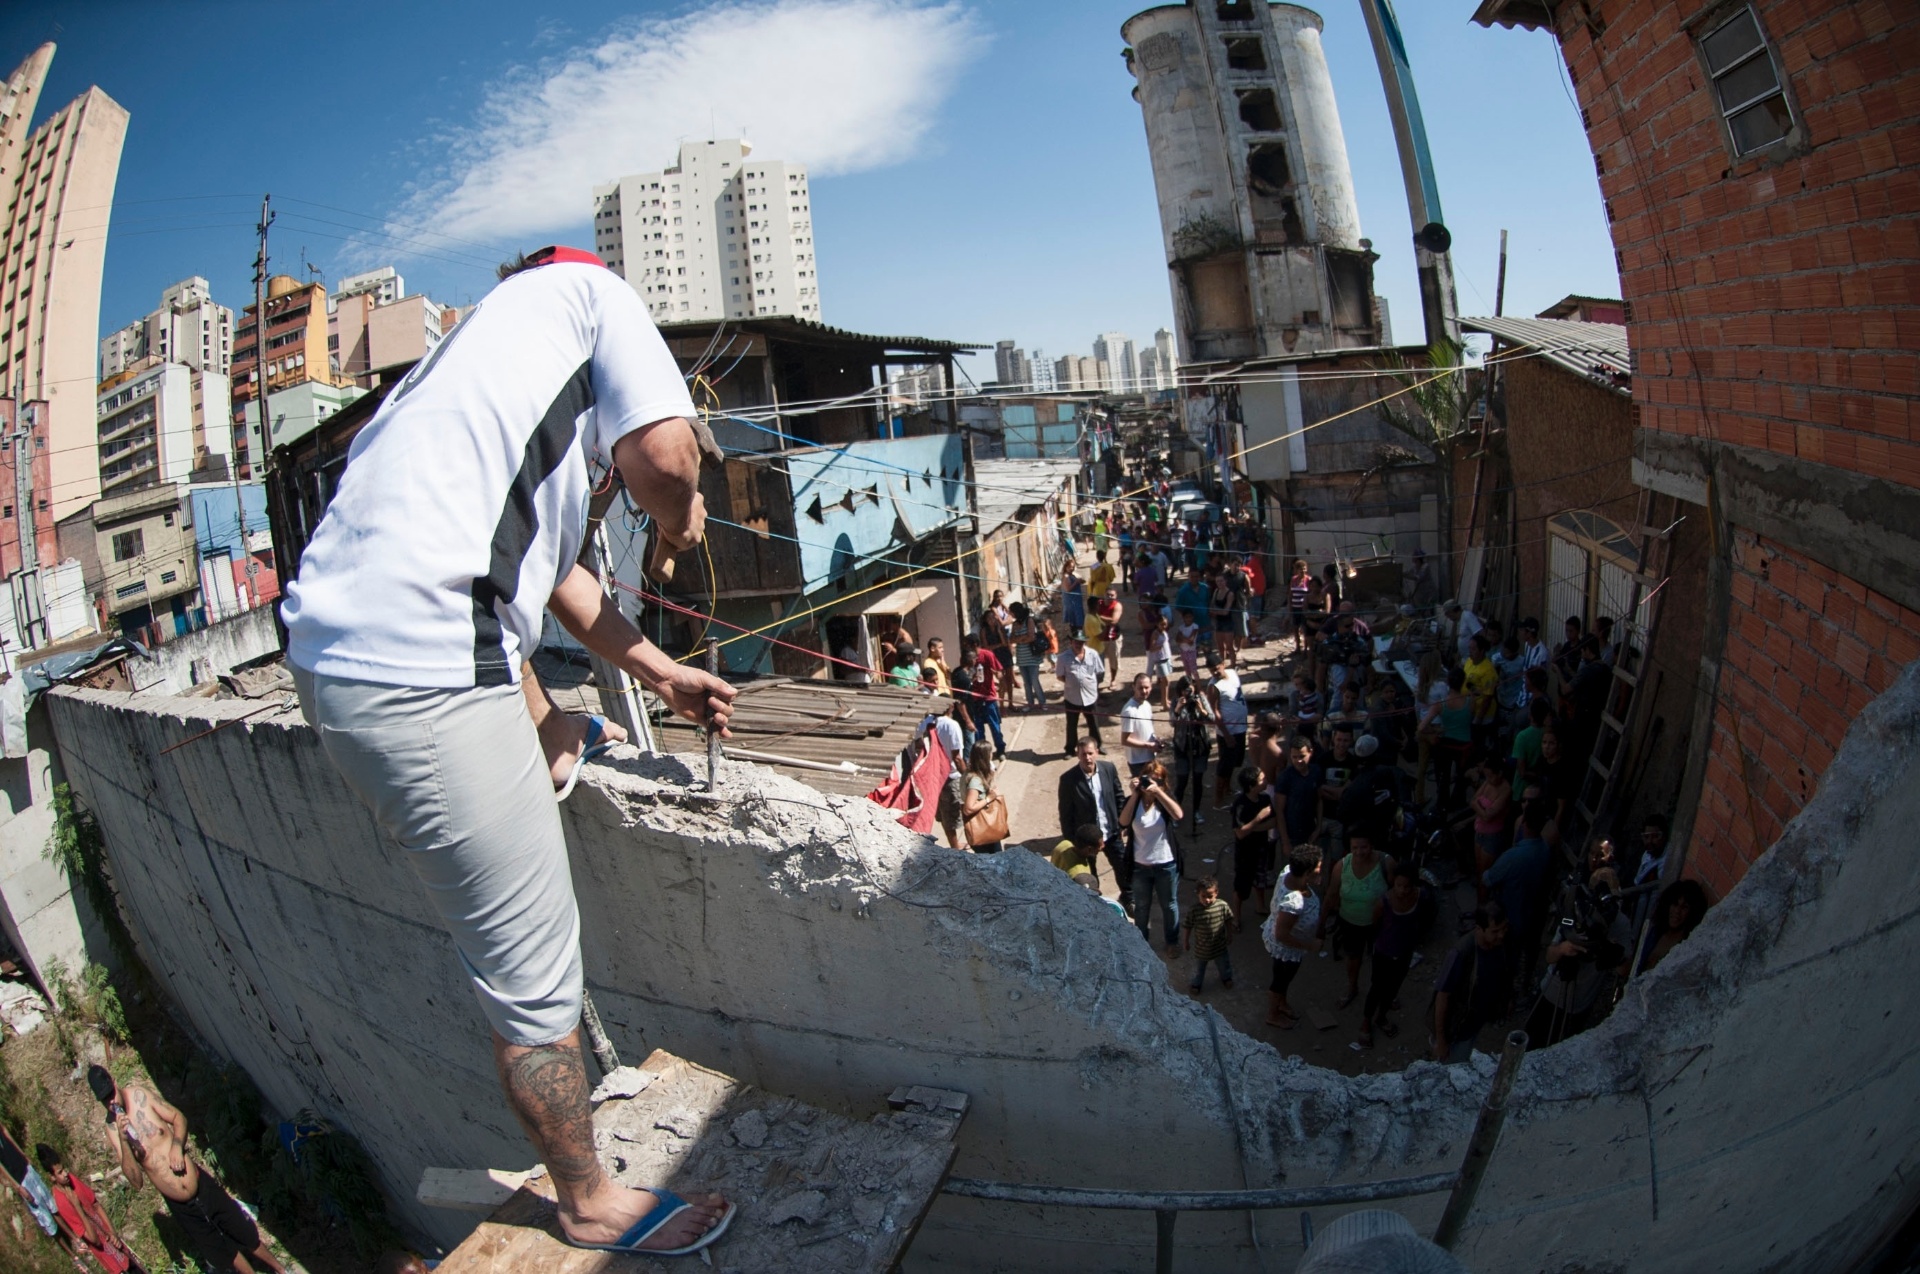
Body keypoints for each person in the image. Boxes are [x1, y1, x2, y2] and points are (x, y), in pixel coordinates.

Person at [277, 249, 736, 1256]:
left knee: (525, 696)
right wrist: (681, 512)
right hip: (425, 673)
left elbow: (558, 577)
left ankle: (547, 733)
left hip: (342, 657)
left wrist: (659, 669)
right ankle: (586, 1199)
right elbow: (667, 458)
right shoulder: (598, 297)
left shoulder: (488, 381)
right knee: (533, 972)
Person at [88, 1066, 286, 1273]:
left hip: (199, 1184)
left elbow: (178, 1118)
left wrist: (176, 1145)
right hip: (181, 1205)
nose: (112, 1103)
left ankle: (280, 1270)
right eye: (105, 1100)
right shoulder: (112, 1129)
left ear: (113, 1081)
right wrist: (123, 1139)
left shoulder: (140, 1096)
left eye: (111, 1094)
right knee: (222, 1250)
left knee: (241, 1229)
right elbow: (136, 1182)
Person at [1524, 884, 1632, 1047]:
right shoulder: (1576, 909)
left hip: (1580, 1003)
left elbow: (1624, 970)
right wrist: (1562, 948)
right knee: (1530, 1044)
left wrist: (1609, 952)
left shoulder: (1621, 924)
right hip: (1551, 994)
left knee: (1561, 1050)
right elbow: (1549, 956)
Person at [1356, 865, 1434, 1050]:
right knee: (1377, 987)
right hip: (1383, 951)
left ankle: (1381, 1016)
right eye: (1399, 885)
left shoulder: (1420, 897)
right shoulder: (1384, 902)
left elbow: (1426, 917)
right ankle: (1366, 1021)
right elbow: (1375, 924)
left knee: (1394, 986)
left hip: (1405, 951)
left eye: (1406, 886)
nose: (1402, 890)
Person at [38, 1143, 143, 1273]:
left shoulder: (72, 1180)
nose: (65, 1174)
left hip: (115, 1242)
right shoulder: (61, 1202)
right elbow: (94, 1240)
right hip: (107, 1254)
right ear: (52, 1177)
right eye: (60, 1172)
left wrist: (112, 1232)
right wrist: (77, 1206)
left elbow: (96, 1205)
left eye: (64, 1169)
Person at [1430, 903, 1513, 1063]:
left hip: (1477, 1019)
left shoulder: (1500, 943)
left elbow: (1505, 971)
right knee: (1452, 1066)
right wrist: (1441, 1039)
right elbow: (1442, 996)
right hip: (1458, 1028)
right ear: (1479, 929)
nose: (1501, 935)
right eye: (1495, 931)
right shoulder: (1461, 953)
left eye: (1504, 929)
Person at [1483, 800, 1554, 986]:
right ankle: (1521, 984)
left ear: (1524, 823)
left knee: (1507, 958)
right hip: (1533, 916)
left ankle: (1505, 989)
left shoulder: (1513, 857)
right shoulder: (1545, 850)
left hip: (1512, 917)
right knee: (1526, 955)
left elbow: (1488, 878)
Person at [1321, 823, 1391, 1011]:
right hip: (1349, 922)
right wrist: (1320, 924)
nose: (1360, 852)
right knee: (1353, 958)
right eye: (1355, 848)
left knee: (1381, 961)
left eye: (1364, 847)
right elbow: (1330, 895)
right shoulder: (1341, 867)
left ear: (1372, 845)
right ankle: (1352, 987)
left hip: (1380, 924)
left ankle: (1383, 992)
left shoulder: (1386, 863)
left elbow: (1397, 891)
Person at [1123, 760, 1185, 952]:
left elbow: (1178, 815)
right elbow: (1123, 821)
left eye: (1157, 780)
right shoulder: (1135, 801)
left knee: (1169, 904)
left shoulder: (1164, 799)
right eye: (1149, 779)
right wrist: (1135, 795)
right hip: (1140, 865)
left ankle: (1172, 941)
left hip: (1165, 863)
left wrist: (1159, 792)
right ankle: (1142, 944)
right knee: (1141, 907)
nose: (1151, 784)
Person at [1058, 738, 1126, 898]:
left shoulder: (1108, 769)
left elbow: (1118, 796)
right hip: (1087, 841)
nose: (1087, 758)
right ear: (1077, 755)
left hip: (1111, 833)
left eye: (1090, 753)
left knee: (1123, 868)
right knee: (1090, 875)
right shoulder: (1069, 779)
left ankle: (1128, 898)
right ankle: (1095, 902)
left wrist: (1122, 823)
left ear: (1096, 752)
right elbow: (1065, 814)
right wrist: (1072, 841)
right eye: (1083, 754)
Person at [1265, 849, 1323, 1027]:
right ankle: (1273, 1015)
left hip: (1288, 943)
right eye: (1318, 867)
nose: (1321, 870)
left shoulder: (1288, 871)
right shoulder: (1293, 901)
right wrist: (1309, 945)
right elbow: (1282, 934)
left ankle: (1282, 1003)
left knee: (1284, 979)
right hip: (1287, 947)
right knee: (1280, 980)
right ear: (1306, 872)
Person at [1229, 765, 1275, 931]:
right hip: (1245, 852)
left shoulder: (1265, 799)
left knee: (1261, 879)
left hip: (1261, 847)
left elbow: (1272, 822)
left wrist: (1250, 828)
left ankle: (1260, 905)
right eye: (1261, 779)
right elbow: (1240, 834)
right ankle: (1236, 916)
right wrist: (1258, 819)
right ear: (1251, 785)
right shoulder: (1240, 805)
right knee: (1241, 885)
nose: (1265, 780)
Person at [1168, 676, 1213, 831]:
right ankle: (1175, 813)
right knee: (1182, 781)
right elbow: (1172, 722)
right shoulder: (1177, 701)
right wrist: (1178, 709)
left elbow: (1211, 719)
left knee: (1197, 780)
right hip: (1182, 747)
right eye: (1185, 690)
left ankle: (1196, 811)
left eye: (1190, 690)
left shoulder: (1201, 698)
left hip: (1199, 746)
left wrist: (1201, 709)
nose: (1188, 693)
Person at [1271, 733, 1324, 864]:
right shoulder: (1285, 778)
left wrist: (1318, 827)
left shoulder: (1316, 772)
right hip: (1292, 834)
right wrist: (1285, 841)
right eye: (1294, 757)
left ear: (1310, 752)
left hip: (1310, 832)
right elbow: (1279, 811)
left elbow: (1319, 800)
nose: (1298, 761)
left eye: (1302, 756)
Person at [1638, 878, 1709, 972]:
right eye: (1675, 904)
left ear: (1692, 912)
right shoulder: (1655, 932)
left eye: (1684, 907)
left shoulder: (1687, 947)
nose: (1677, 911)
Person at [1208, 652, 1250, 809]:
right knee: (1224, 766)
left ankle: (1228, 789)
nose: (1215, 672)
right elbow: (1216, 713)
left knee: (1234, 763)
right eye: (1212, 670)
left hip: (1240, 727)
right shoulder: (1214, 687)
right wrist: (1226, 735)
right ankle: (1218, 800)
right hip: (1228, 732)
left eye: (1217, 668)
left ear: (1223, 664)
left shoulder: (1232, 673)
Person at [1055, 632, 1106, 755]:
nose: (1078, 644)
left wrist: (1091, 685)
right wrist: (1072, 683)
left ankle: (1097, 746)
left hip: (1090, 697)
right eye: (1076, 641)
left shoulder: (1092, 654)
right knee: (1072, 725)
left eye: (1081, 642)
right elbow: (1060, 676)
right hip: (1072, 697)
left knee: (1093, 723)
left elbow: (1099, 672)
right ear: (1071, 642)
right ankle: (1070, 749)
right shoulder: (1063, 658)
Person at [1183, 876, 1236, 992]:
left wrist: (1230, 934)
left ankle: (1226, 978)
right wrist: (1186, 941)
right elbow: (1188, 926)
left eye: (1210, 896)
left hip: (1219, 946)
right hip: (1202, 948)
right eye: (1203, 896)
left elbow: (1228, 920)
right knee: (1199, 969)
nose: (1207, 900)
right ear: (1198, 894)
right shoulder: (1194, 910)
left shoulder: (1222, 906)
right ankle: (1196, 984)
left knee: (1224, 964)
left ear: (1216, 893)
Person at [961, 642, 1007, 759]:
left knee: (995, 727)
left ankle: (1000, 750)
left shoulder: (987, 655)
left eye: (970, 647)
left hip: (989, 698)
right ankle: (983, 754)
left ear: (976, 645)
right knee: (978, 730)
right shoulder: (968, 658)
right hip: (975, 700)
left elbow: (1000, 672)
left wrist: (997, 675)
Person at [1120, 673, 1161, 777]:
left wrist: (1156, 741)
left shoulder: (1146, 705)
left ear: (1151, 686)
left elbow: (1147, 729)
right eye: (1140, 688)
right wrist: (1148, 745)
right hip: (1138, 761)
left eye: (1146, 687)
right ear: (1133, 687)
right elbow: (1125, 740)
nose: (1144, 691)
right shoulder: (1129, 711)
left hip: (1149, 757)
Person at [1010, 602, 1047, 711]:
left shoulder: (1028, 620)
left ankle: (1042, 702)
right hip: (1021, 657)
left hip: (1032, 656)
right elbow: (1011, 639)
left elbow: (1031, 637)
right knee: (1027, 682)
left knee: (1034, 680)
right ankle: (1030, 703)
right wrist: (1023, 638)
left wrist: (1019, 638)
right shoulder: (1015, 624)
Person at [1092, 588, 1125, 681]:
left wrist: (1098, 617)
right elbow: (1091, 614)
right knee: (1097, 661)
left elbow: (1114, 621)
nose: (1110, 597)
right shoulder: (1099, 603)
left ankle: (1113, 680)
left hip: (1113, 637)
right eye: (1108, 595)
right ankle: (1098, 680)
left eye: (1112, 595)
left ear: (1116, 596)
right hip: (1100, 637)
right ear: (1104, 595)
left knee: (1113, 661)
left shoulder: (1117, 605)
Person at [1144, 613, 1174, 708]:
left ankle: (1165, 700)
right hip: (1160, 659)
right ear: (1157, 624)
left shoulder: (1164, 633)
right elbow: (1152, 647)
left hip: (1166, 657)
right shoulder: (1155, 634)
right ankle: (1164, 702)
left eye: (1165, 624)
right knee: (1165, 680)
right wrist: (1158, 647)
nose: (1164, 626)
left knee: (1166, 681)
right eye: (1162, 624)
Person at [1061, 562, 1087, 639]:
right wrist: (1077, 582)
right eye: (1070, 567)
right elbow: (1068, 589)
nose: (1072, 568)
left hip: (1076, 601)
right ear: (1066, 567)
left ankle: (1078, 637)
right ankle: (1077, 637)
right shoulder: (1066, 577)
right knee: (1075, 621)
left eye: (1073, 567)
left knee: (1078, 621)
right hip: (1072, 602)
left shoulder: (1071, 575)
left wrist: (1080, 581)